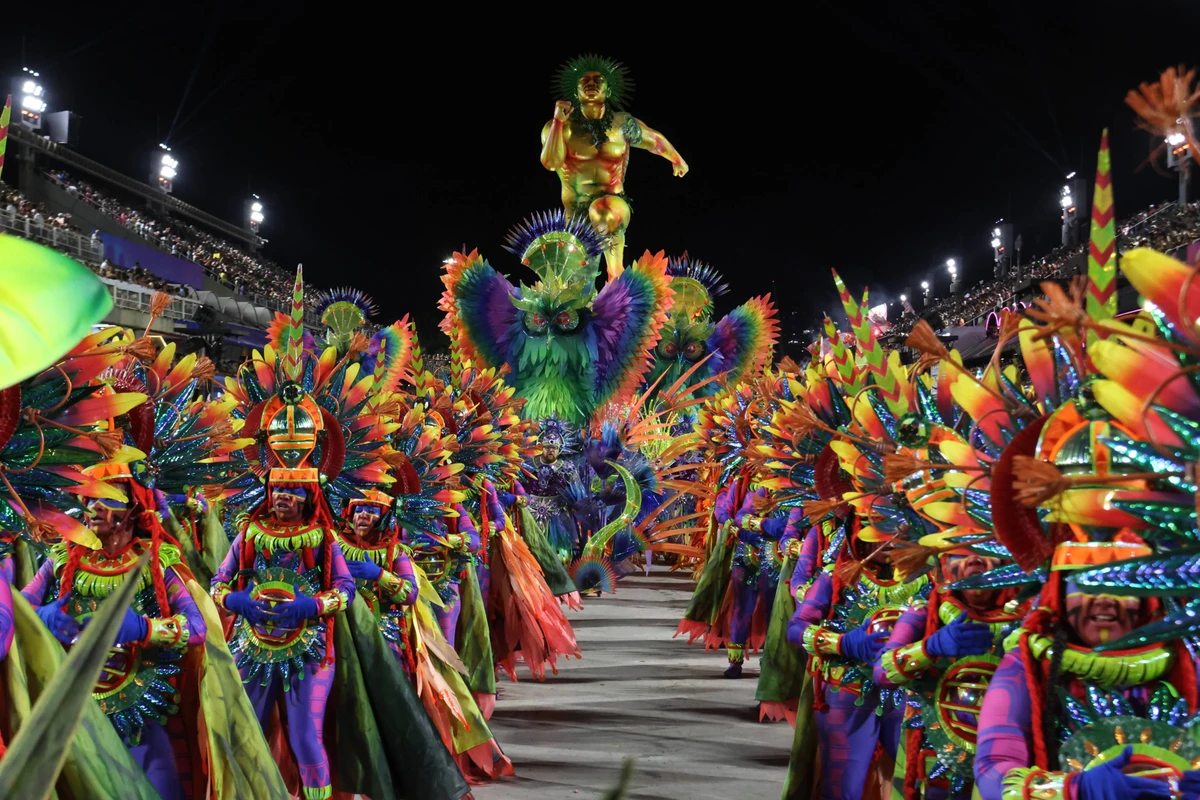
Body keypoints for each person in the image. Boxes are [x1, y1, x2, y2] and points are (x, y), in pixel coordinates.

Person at [540, 54, 687, 280]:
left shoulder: (621, 124)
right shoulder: (560, 128)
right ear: (575, 92)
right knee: (577, 286)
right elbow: (551, 163)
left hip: (612, 206)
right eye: (584, 81)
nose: (591, 84)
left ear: (608, 91)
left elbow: (654, 140)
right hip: (576, 216)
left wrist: (676, 158)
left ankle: (615, 276)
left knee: (603, 209)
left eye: (598, 80)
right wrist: (559, 121)